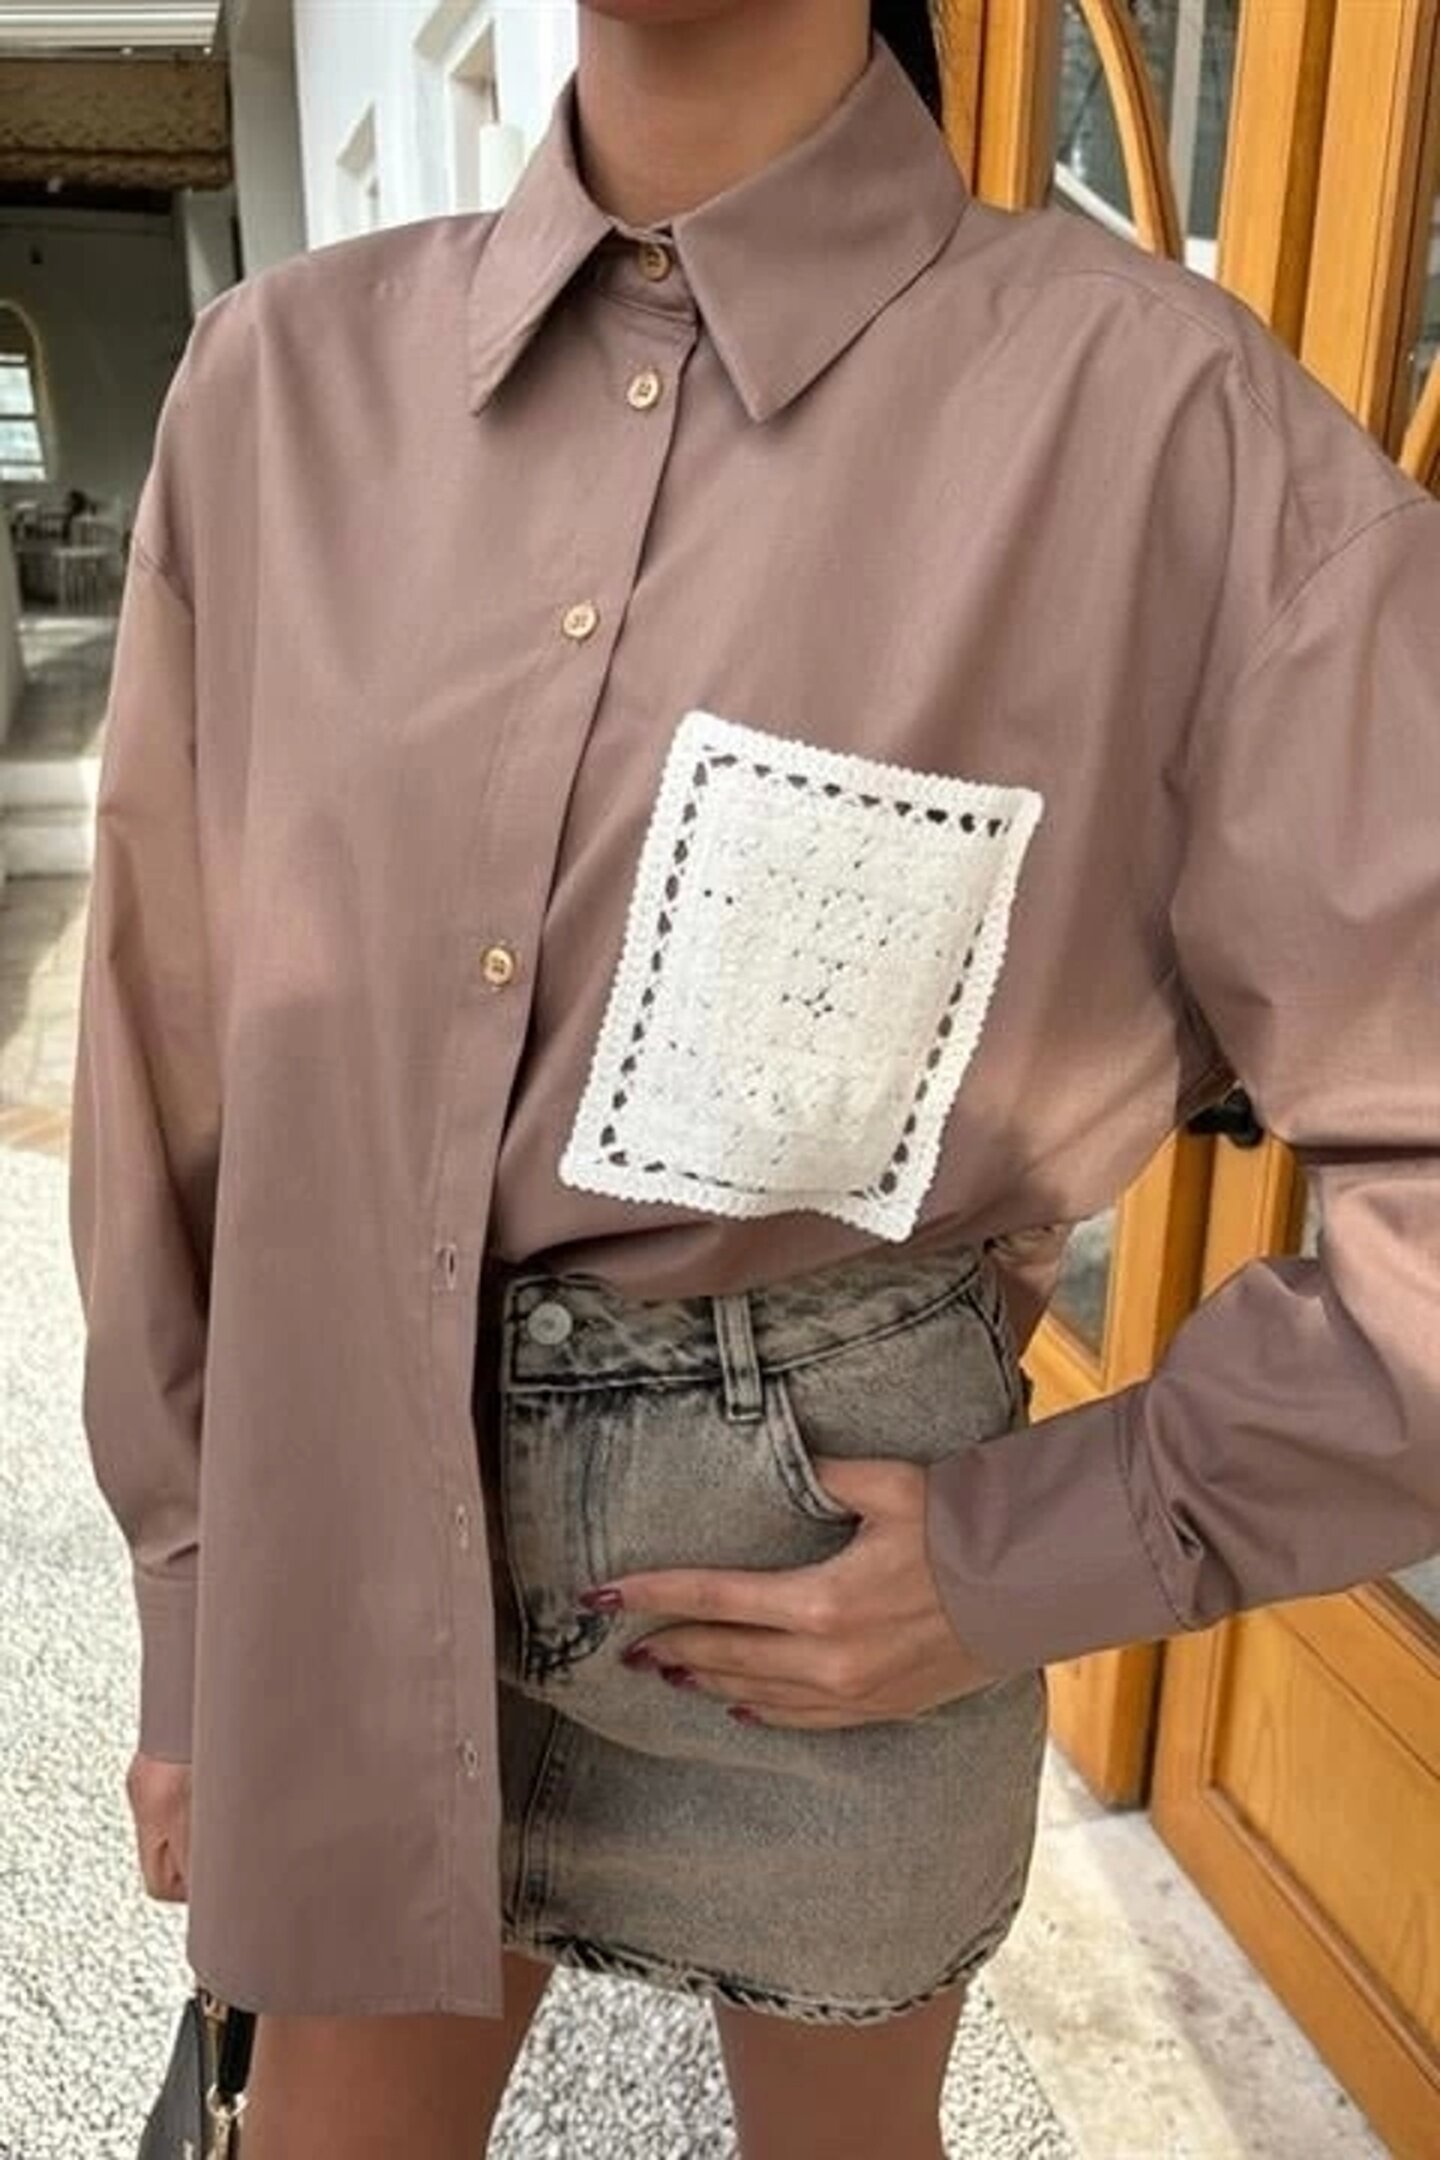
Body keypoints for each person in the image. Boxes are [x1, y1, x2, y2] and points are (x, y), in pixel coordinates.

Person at [68, 2, 1440, 2156]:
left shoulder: (1175, 434)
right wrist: (192, 1606)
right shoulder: (282, 391)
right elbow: (174, 1055)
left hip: (826, 1558)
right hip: (342, 1509)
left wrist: (1056, 1545)